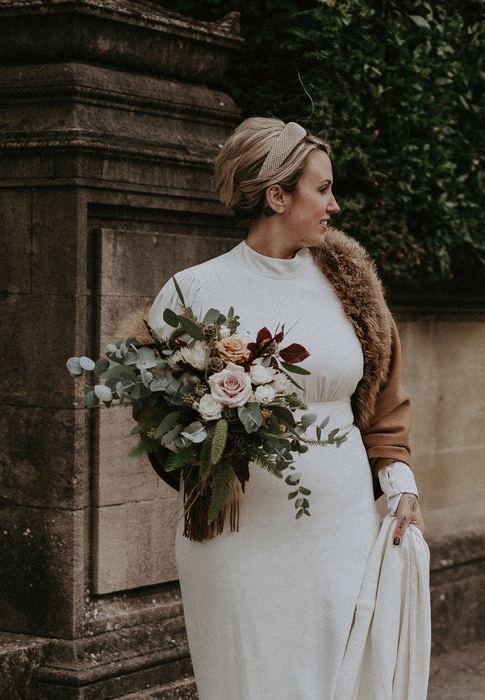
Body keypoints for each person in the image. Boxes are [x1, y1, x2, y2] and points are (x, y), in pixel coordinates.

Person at [146, 117, 427, 698]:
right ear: (276, 195)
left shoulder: (351, 285)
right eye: (322, 189)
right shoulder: (190, 293)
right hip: (237, 538)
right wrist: (212, 445)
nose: (335, 204)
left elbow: (384, 402)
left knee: (337, 679)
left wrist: (399, 483)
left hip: (340, 528)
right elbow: (158, 424)